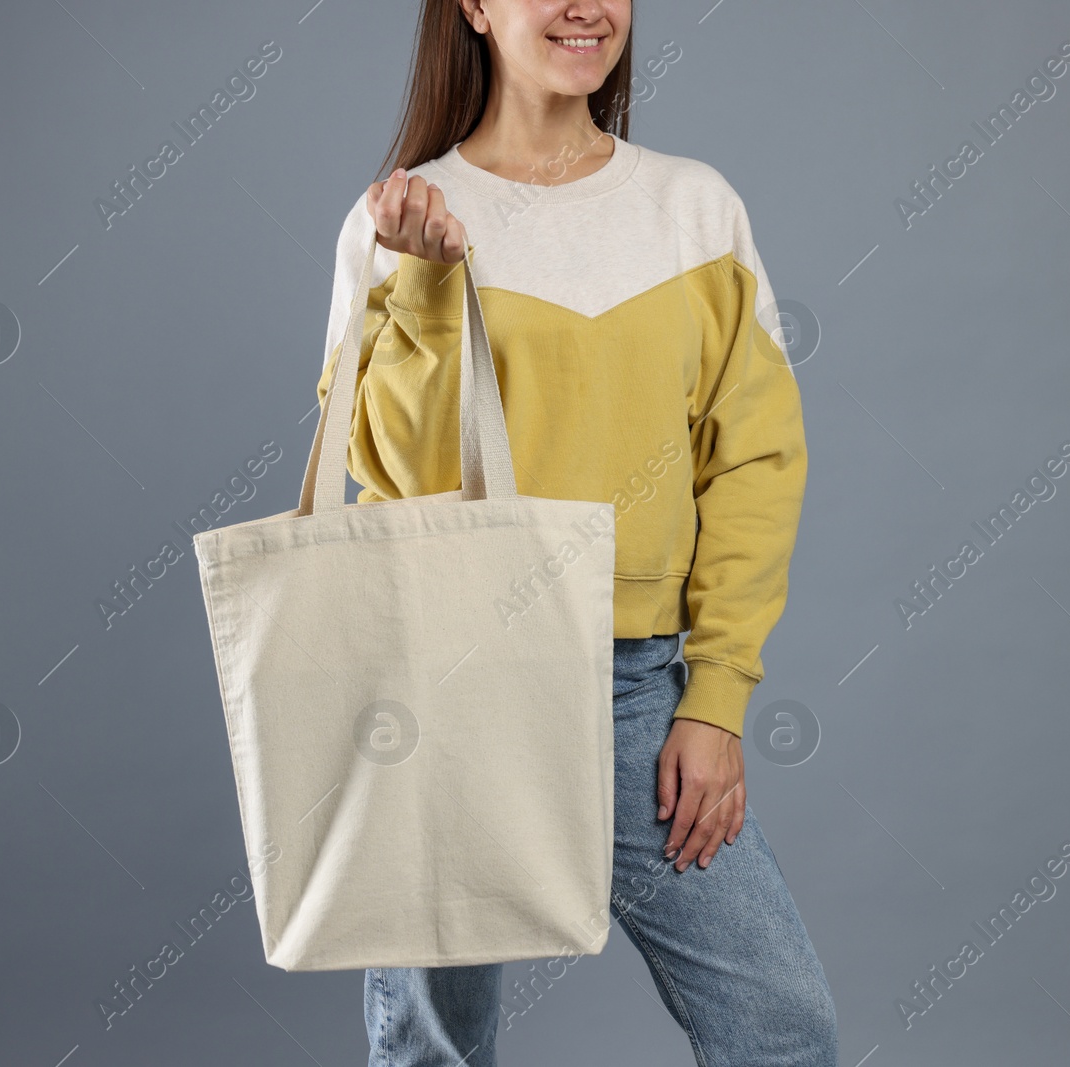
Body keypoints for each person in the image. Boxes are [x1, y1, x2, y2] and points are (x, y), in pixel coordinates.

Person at [314, 2, 836, 1063]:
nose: (585, 6)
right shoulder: (398, 217)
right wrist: (420, 286)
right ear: (472, 6)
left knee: (780, 1025)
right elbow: (398, 484)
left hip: (633, 690)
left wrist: (719, 696)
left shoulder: (694, 208)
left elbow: (754, 464)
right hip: (443, 685)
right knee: (433, 1053)